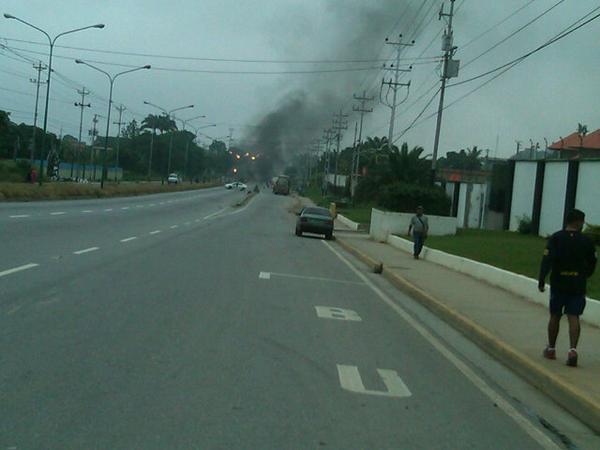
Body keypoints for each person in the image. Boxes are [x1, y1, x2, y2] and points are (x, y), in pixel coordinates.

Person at [538, 209, 597, 367]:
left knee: (555, 315)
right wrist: (585, 275)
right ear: (577, 222)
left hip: (559, 282)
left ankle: (551, 349)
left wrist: (542, 279)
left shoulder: (556, 238)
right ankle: (572, 350)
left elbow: (547, 259)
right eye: (582, 221)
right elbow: (593, 261)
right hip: (577, 283)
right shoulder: (586, 241)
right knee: (574, 316)